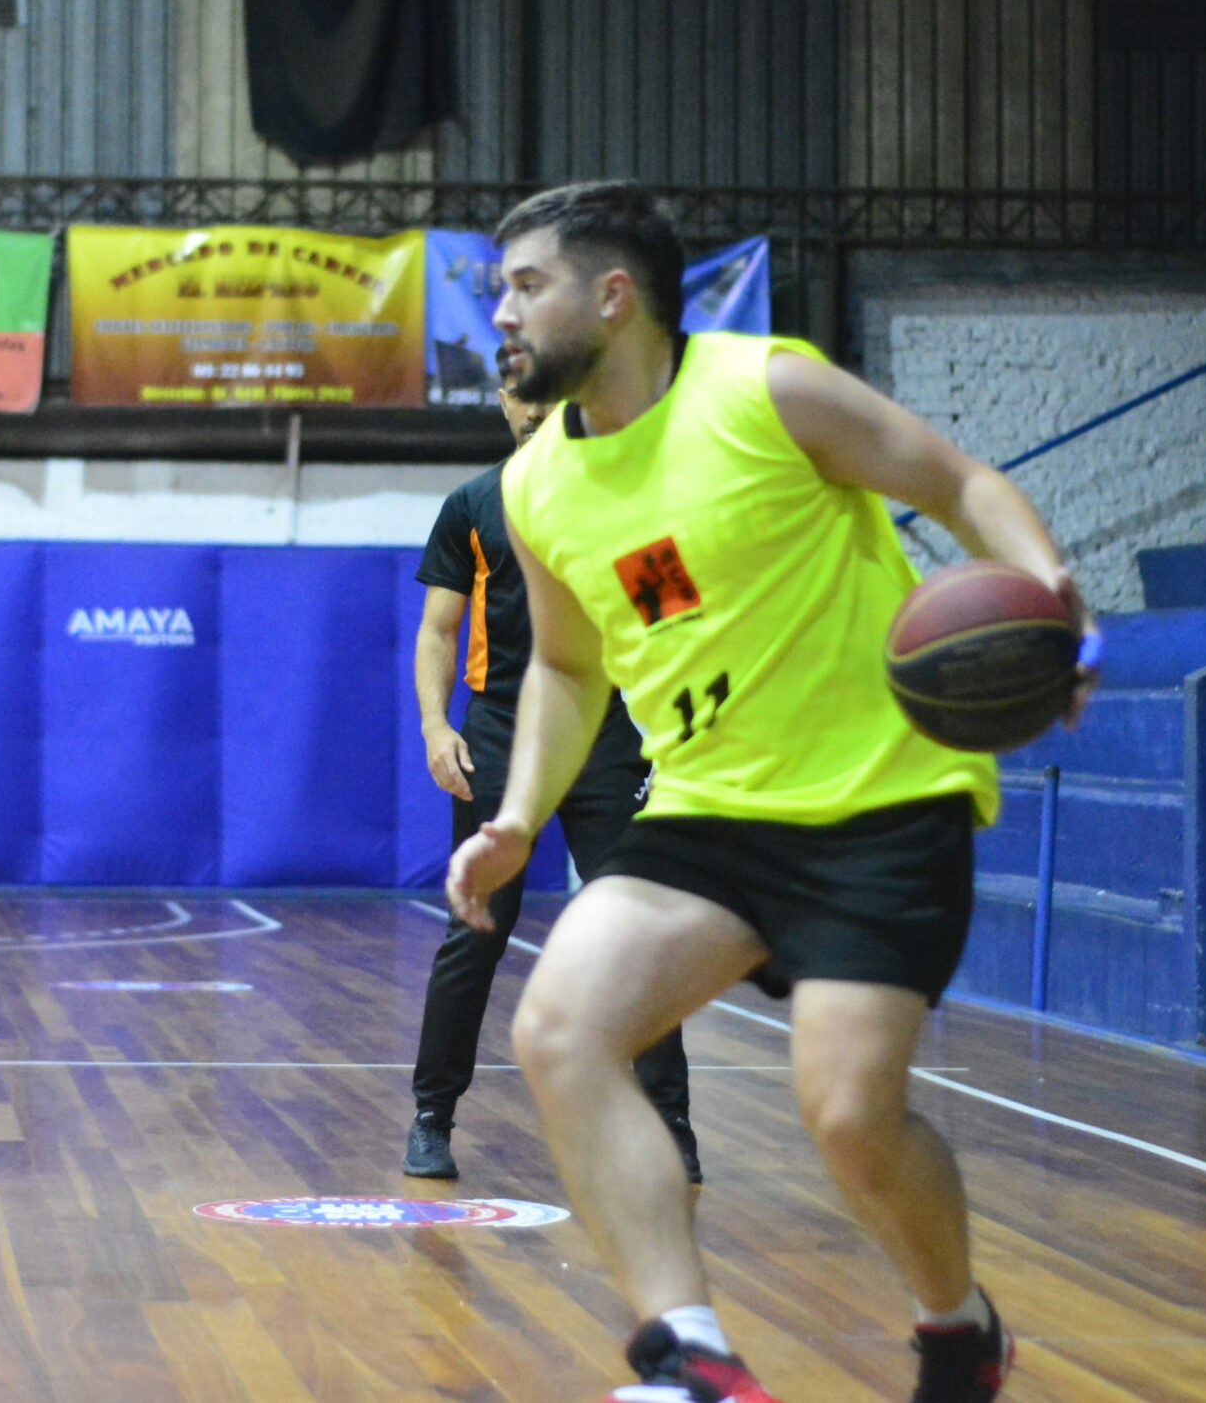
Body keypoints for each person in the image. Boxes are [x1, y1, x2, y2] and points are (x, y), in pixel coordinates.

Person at [445, 182, 1095, 1403]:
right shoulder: (537, 486)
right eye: (502, 292)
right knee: (559, 1028)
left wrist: (1055, 598)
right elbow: (570, 669)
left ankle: (957, 1325)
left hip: (880, 803)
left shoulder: (766, 389)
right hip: (704, 811)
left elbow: (959, 483)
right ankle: (689, 1351)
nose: (504, 315)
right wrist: (518, 817)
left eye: (526, 286)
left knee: (847, 1117)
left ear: (614, 295)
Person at [405, 366, 697, 1185]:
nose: (531, 407)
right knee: (475, 931)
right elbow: (437, 632)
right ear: (501, 400)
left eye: (546, 391)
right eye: (517, 392)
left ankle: (670, 1124)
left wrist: (680, 734)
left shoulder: (627, 497)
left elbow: (674, 623)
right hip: (500, 733)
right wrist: (436, 727)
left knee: (640, 930)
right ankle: (431, 1117)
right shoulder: (471, 506)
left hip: (604, 732)